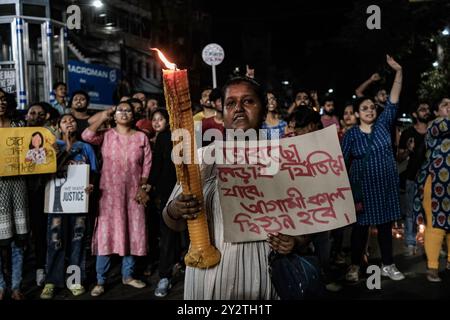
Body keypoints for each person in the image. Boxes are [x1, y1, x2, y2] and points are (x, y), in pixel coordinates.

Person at [162, 77, 300, 300]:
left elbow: (307, 218)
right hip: (208, 274)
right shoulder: (201, 159)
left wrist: (295, 241)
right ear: (222, 111)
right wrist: (176, 210)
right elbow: (171, 221)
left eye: (248, 101)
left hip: (262, 271)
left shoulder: (283, 159)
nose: (238, 109)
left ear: (263, 110)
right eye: (230, 103)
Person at [343, 55, 405, 282]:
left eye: (371, 107)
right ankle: (355, 265)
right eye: (364, 108)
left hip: (385, 186)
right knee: (361, 230)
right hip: (363, 190)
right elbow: (341, 161)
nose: (369, 110)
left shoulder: (383, 125)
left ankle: (388, 264)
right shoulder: (351, 135)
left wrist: (398, 72)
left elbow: (393, 100)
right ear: (357, 114)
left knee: (385, 227)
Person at [82, 101, 152, 297]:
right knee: (106, 234)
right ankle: (101, 280)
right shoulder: (106, 135)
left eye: (127, 110)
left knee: (131, 232)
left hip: (133, 195)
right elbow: (86, 135)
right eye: (120, 110)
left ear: (133, 115)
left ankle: (128, 276)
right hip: (109, 195)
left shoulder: (141, 137)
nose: (123, 113)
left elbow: (147, 165)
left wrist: (143, 186)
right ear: (114, 115)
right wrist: (104, 115)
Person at [40, 114, 98, 299]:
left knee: (77, 240)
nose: (69, 123)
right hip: (57, 204)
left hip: (78, 202)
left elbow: (94, 172)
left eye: (72, 121)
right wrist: (65, 147)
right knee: (55, 241)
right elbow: (45, 170)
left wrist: (91, 185)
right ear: (58, 126)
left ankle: (75, 279)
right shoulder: (52, 147)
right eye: (64, 121)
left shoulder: (86, 147)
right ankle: (51, 281)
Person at [413, 97, 450, 282]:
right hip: (436, 184)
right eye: (445, 105)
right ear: (436, 112)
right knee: (436, 225)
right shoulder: (436, 124)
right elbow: (444, 126)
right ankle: (433, 267)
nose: (449, 107)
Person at [146, 108, 180, 297]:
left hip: (180, 190)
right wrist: (150, 185)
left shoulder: (178, 135)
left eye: (161, 119)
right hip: (168, 191)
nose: (157, 122)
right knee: (169, 234)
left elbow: (158, 165)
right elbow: (157, 164)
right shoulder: (162, 138)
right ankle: (165, 276)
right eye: (154, 120)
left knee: (175, 234)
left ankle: (172, 272)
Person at [0, 88, 29, 300]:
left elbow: (32, 154)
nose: (1, 103)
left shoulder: (20, 126)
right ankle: (1, 286)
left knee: (19, 240)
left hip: (18, 186)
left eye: (2, 99)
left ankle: (17, 286)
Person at [397, 102, 432, 256]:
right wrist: (409, 151)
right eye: (422, 109)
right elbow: (399, 157)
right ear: (415, 114)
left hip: (432, 179)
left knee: (431, 212)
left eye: (428, 109)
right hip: (412, 178)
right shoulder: (407, 133)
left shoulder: (434, 131)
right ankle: (410, 243)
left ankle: (432, 245)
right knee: (410, 212)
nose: (426, 111)